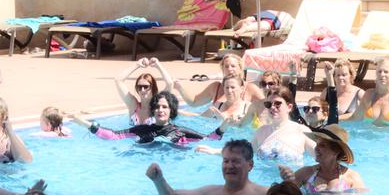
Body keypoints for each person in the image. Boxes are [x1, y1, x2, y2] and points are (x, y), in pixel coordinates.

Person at [147, 139, 267, 195]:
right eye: (226, 161)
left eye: (235, 161)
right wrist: (158, 180)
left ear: (250, 165)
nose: (229, 166)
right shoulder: (210, 193)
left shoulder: (264, 194)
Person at [71, 91, 208, 145]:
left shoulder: (182, 131)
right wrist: (86, 124)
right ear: (152, 110)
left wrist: (224, 127)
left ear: (171, 110)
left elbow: (210, 138)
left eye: (164, 107)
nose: (160, 110)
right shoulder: (142, 130)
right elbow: (113, 136)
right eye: (157, 107)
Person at [278, 124, 365, 194]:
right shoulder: (305, 173)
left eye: (322, 145)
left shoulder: (352, 177)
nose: (316, 148)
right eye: (317, 144)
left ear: (336, 151)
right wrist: (288, 181)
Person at [341, 58, 389, 126]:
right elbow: (355, 118)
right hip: (368, 138)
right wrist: (333, 120)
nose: (382, 74)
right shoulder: (369, 95)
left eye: (386, 72)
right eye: (379, 71)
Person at [174, 54, 264, 108]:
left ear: (240, 69)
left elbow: (266, 108)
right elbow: (194, 102)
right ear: (222, 69)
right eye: (226, 66)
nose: (230, 69)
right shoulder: (215, 88)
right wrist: (180, 88)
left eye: (233, 66)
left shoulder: (251, 89)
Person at [115, 57, 174, 125]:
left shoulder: (158, 106)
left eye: (146, 87)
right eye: (139, 87)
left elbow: (170, 84)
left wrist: (158, 66)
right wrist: (137, 65)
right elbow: (118, 80)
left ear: (153, 88)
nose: (142, 90)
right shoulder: (133, 105)